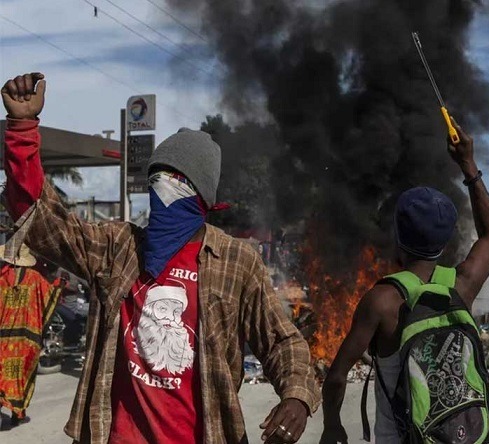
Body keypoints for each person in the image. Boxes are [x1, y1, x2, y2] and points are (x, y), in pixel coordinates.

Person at [1, 73, 318, 443]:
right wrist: (22, 129)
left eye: (176, 180)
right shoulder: (118, 246)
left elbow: (282, 341)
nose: (162, 190)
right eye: (157, 178)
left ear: (201, 195)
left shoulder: (236, 261)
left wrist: (296, 396)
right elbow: (43, 222)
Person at [319, 120, 489, 443]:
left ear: (397, 236)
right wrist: (468, 164)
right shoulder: (461, 286)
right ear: (446, 242)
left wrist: (332, 425)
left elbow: (335, 377)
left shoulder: (382, 301)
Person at [0, 243, 60, 428]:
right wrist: (60, 284)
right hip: (28, 338)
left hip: (3, 338)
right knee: (22, 375)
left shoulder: (2, 277)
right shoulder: (35, 278)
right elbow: (50, 296)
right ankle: (18, 413)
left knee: (3, 374)